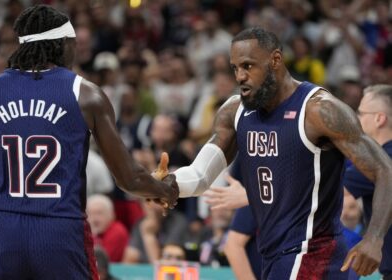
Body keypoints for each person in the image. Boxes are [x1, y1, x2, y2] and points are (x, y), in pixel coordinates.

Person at [156, 27, 392, 278]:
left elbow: (384, 169)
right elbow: (200, 177)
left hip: (313, 254)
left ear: (275, 60)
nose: (240, 76)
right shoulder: (234, 111)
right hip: (273, 255)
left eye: (248, 66)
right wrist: (165, 185)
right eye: (235, 68)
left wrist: (374, 237)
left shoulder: (319, 110)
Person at [0, 5, 178, 280]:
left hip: (1, 232)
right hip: (59, 232)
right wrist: (163, 189)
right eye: (73, 44)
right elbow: (129, 178)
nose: (76, 51)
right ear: (60, 44)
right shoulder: (85, 94)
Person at [343, 84, 392, 279]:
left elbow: (327, 191)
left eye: (361, 113)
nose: (356, 118)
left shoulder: (378, 162)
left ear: (380, 118)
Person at [86, 194, 129, 262]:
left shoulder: (117, 231)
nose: (94, 219)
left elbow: (101, 261)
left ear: (112, 215)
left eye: (99, 213)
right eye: (91, 214)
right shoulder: (86, 231)